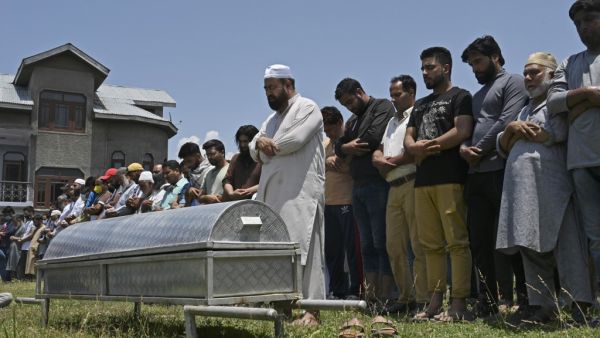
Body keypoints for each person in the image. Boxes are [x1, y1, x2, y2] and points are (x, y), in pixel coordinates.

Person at [497, 52, 594, 323]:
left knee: (567, 245)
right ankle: (543, 305)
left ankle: (580, 303)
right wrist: (511, 129)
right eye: (526, 73)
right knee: (530, 245)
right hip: (522, 191)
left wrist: (542, 135)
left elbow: (561, 133)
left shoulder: (556, 105)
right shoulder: (524, 109)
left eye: (535, 73)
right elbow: (503, 147)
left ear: (552, 76)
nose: (528, 78)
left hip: (554, 186)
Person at [249, 64, 325, 325]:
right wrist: (259, 144)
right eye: (266, 89)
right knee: (279, 252)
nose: (269, 94)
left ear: (288, 85)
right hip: (273, 194)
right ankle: (281, 306)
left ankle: (312, 310)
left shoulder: (308, 107)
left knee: (309, 250)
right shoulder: (270, 120)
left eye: (272, 88)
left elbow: (294, 139)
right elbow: (253, 147)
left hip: (301, 192)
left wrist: (266, 145)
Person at [460, 35, 529, 315]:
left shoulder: (513, 82)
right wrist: (465, 148)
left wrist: (478, 147)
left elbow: (507, 120)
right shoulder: (476, 96)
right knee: (479, 240)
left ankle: (525, 299)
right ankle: (487, 300)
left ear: (496, 57)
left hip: (501, 169)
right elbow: (468, 130)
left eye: (478, 62)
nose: (475, 68)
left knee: (512, 240)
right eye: (471, 64)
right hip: (476, 174)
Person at [404, 47, 473, 321]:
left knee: (456, 242)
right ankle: (434, 303)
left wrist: (427, 146)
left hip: (451, 178)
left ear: (446, 68)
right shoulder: (420, 104)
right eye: (422, 68)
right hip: (423, 182)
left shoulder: (460, 96)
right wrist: (416, 147)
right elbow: (409, 139)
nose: (425, 73)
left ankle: (458, 304)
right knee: (429, 244)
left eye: (430, 67)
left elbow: (463, 130)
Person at [547, 0, 600, 288]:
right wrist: (590, 94)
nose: (583, 27)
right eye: (577, 23)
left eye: (590, 19)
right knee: (595, 237)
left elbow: (564, 103)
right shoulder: (570, 63)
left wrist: (576, 105)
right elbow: (554, 102)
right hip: (582, 162)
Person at [334, 78, 395, 307]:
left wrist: (347, 146)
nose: (349, 107)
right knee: (366, 246)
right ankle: (371, 296)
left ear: (359, 92)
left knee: (381, 242)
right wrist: (346, 147)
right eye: (345, 104)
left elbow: (371, 139)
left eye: (350, 101)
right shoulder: (352, 120)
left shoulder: (382, 107)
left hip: (377, 184)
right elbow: (340, 145)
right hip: (358, 186)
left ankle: (387, 295)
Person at [372, 75, 427, 314]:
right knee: (394, 246)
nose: (394, 99)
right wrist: (377, 158)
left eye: (398, 94)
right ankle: (406, 297)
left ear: (412, 92)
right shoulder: (392, 121)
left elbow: (417, 149)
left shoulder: (419, 113)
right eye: (392, 95)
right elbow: (381, 149)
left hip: (413, 181)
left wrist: (393, 161)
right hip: (392, 186)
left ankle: (424, 298)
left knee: (418, 243)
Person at [321, 106, 361, 301]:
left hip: (348, 201)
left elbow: (352, 169)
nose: (329, 134)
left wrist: (336, 165)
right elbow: (318, 169)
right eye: (326, 131)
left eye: (331, 129)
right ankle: (337, 290)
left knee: (352, 250)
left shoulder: (349, 141)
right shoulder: (325, 145)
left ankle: (355, 289)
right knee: (333, 250)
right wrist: (328, 162)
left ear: (340, 123)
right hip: (328, 203)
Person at [222, 125, 262, 201]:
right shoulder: (236, 159)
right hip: (237, 205)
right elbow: (227, 180)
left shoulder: (263, 158)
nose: (242, 145)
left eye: (245, 141)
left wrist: (247, 191)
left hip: (258, 203)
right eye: (240, 142)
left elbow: (266, 182)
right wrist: (231, 193)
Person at [196, 139, 229, 204]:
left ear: (222, 153)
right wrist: (206, 198)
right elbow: (200, 197)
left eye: (212, 154)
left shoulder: (230, 169)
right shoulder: (208, 173)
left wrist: (221, 198)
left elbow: (235, 194)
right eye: (207, 155)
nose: (210, 157)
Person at [0, 207, 17, 282]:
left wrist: (2, 233)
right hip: (3, 244)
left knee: (7, 262)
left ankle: (7, 278)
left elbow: (11, 231)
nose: (5, 216)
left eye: (6, 214)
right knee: (4, 261)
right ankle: (4, 278)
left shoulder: (13, 222)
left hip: (8, 244)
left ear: (10, 213)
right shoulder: (5, 223)